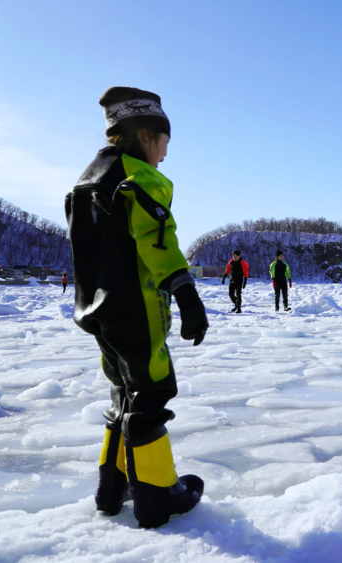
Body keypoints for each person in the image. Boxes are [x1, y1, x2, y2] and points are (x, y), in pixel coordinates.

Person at [64, 86, 207, 529]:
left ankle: (113, 488)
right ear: (147, 135)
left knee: (123, 393)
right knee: (152, 393)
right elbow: (157, 239)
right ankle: (158, 493)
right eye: (164, 143)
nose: (165, 155)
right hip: (137, 306)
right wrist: (186, 293)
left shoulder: (87, 178)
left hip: (97, 309)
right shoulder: (138, 176)